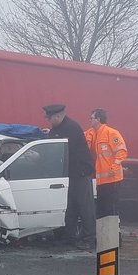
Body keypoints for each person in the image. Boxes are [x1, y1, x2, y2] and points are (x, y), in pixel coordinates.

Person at [44, 104, 95, 249]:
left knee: (85, 207)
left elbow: (61, 150)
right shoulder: (58, 129)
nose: (48, 120)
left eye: (50, 118)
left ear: (58, 116)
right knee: (70, 207)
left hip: (81, 173)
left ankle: (89, 239)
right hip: (69, 174)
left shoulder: (71, 128)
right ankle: (69, 237)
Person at [85, 108, 127, 218]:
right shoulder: (93, 133)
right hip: (101, 181)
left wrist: (114, 167)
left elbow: (122, 151)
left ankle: (114, 234)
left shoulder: (111, 133)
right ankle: (105, 234)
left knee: (111, 211)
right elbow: (78, 136)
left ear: (98, 119)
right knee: (102, 211)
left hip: (112, 179)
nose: (89, 120)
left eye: (91, 118)